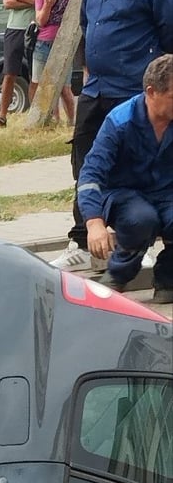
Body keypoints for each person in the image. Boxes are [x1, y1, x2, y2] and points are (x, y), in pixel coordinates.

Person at [51, 0, 173, 270]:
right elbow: (90, 28)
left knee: (137, 165)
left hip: (135, 91)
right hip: (96, 90)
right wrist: (89, 73)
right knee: (85, 163)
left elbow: (168, 34)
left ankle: (141, 238)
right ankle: (82, 241)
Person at [77, 54, 173, 303]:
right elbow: (90, 174)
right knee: (142, 219)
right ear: (151, 92)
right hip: (123, 193)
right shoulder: (119, 121)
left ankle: (168, 280)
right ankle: (117, 278)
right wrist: (94, 222)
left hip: (165, 192)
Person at [0, 0, 46, 128]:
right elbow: (7, 3)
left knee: (36, 75)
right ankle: (2, 116)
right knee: (9, 73)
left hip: (35, 30)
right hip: (14, 30)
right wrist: (33, 0)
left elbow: (45, 0)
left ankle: (36, 117)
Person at [31, 0, 76, 123]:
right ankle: (54, 120)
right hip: (43, 43)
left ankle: (72, 121)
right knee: (46, 86)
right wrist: (48, 4)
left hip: (63, 43)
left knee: (65, 88)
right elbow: (40, 21)